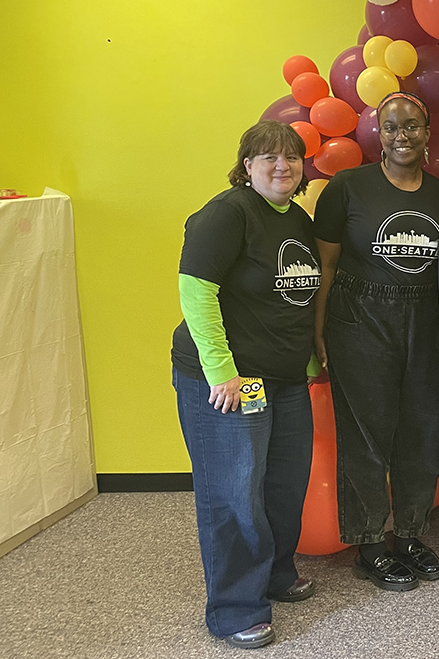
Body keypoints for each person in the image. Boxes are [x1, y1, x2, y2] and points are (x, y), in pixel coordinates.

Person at [170, 120, 321, 649]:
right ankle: (234, 608)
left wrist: (306, 365)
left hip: (282, 379)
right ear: (247, 164)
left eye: (292, 157)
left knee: (282, 485)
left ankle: (275, 574)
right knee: (232, 492)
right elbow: (196, 294)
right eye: (268, 157)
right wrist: (223, 373)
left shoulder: (297, 219)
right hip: (227, 382)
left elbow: (291, 299)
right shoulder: (225, 214)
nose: (282, 166)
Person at [312, 91, 439, 592]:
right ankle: (370, 544)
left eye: (412, 126)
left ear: (427, 132)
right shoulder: (347, 189)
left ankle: (412, 535)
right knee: (366, 435)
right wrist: (319, 330)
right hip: (359, 321)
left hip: (427, 322)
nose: (402, 136)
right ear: (378, 133)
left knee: (424, 428)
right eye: (391, 127)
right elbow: (325, 267)